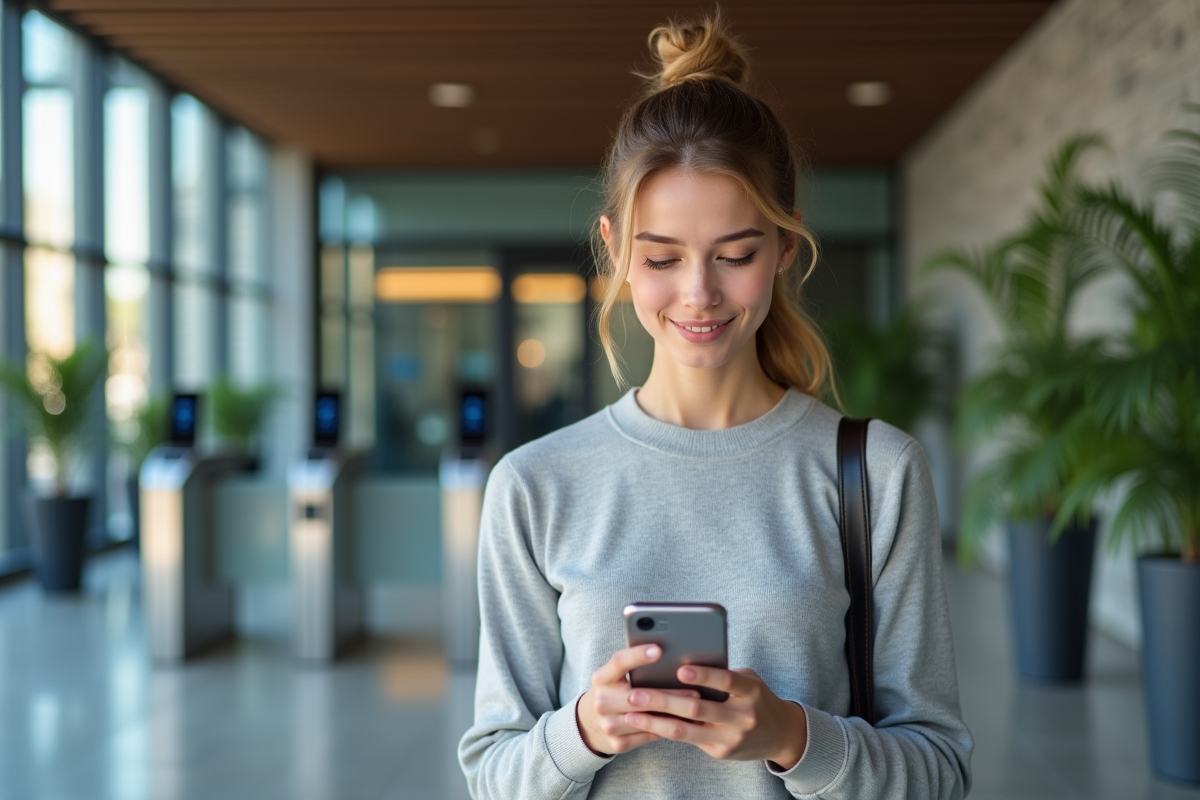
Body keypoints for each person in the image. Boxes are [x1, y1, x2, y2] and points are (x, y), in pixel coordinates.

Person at [458, 13, 972, 800]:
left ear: (785, 249)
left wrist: (792, 737)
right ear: (618, 252)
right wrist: (585, 730)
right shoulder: (535, 484)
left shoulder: (875, 472)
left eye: (736, 254)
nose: (699, 293)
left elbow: (939, 772)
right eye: (661, 257)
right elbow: (493, 776)